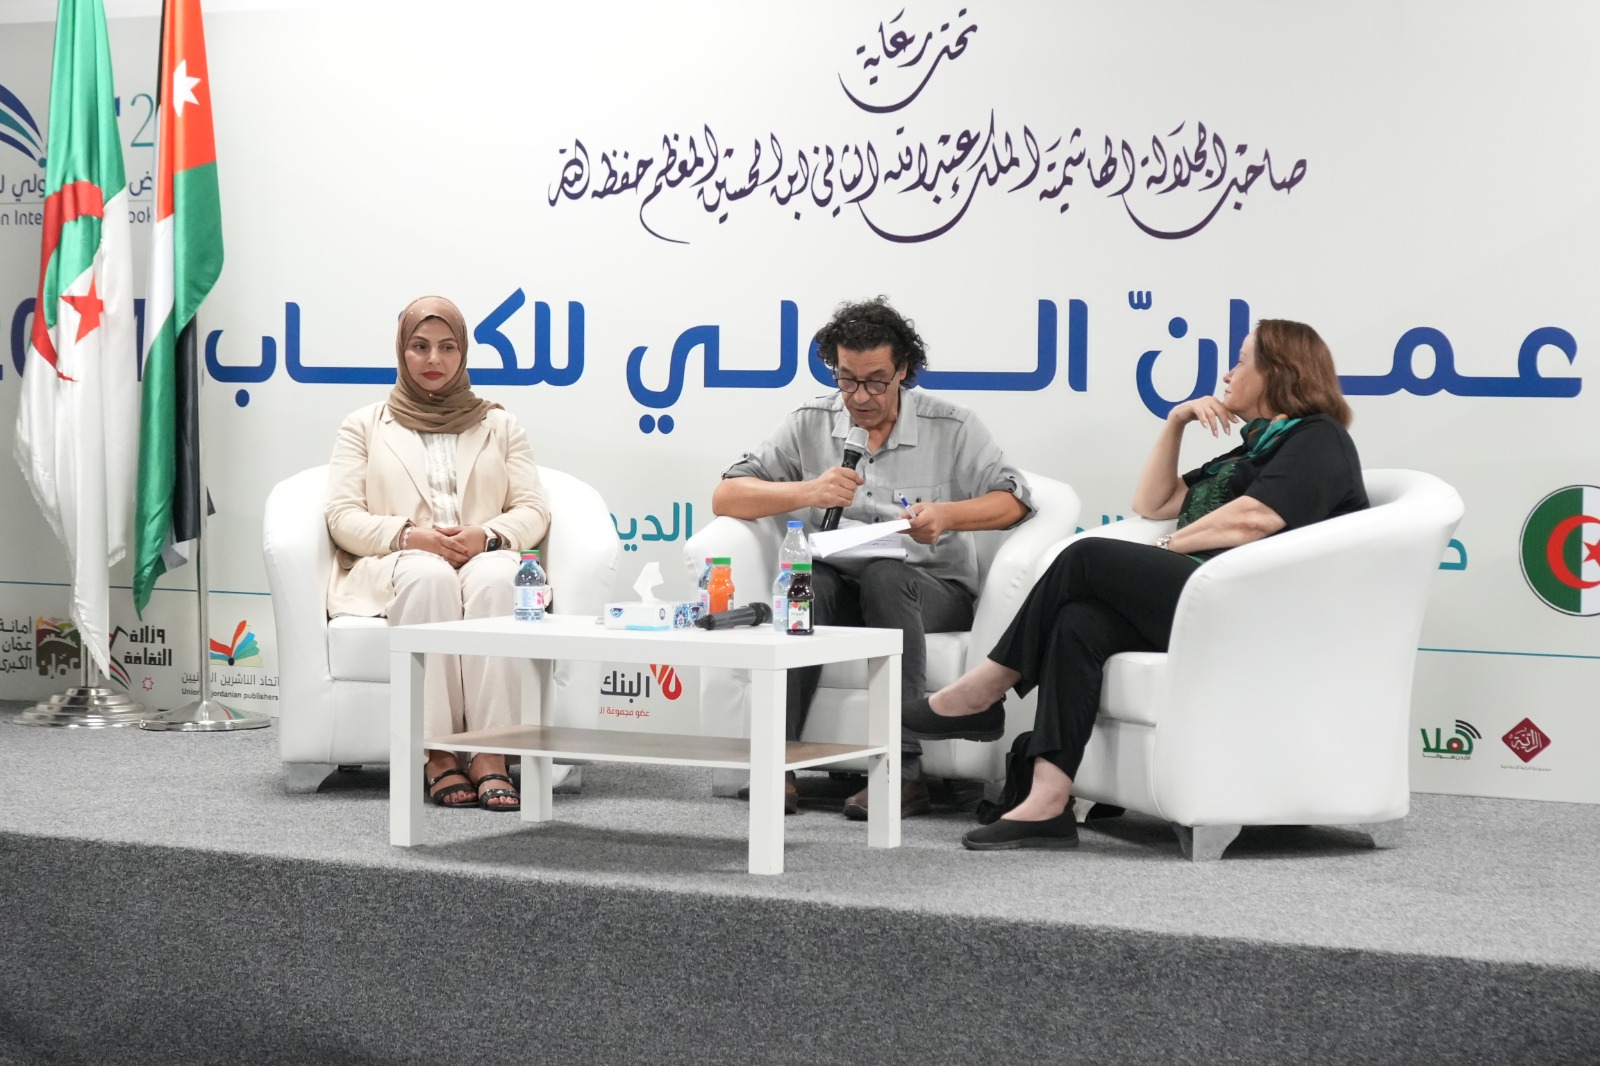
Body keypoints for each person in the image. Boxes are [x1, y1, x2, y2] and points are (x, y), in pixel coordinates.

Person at [904, 318, 1368, 850]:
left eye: (1241, 361)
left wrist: (1167, 547)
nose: (1227, 373)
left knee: (1085, 556)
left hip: (1248, 611)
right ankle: (1047, 802)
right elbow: (1153, 502)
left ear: (1279, 372)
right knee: (1078, 622)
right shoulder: (1252, 449)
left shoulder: (1318, 438)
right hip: (1202, 598)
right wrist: (1175, 423)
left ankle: (984, 689)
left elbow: (1254, 518)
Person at [713, 297, 1033, 818]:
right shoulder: (810, 422)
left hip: (931, 591)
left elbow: (1015, 500)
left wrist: (948, 515)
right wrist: (808, 491)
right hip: (841, 582)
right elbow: (726, 494)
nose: (860, 397)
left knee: (887, 575)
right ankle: (778, 765)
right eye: (847, 379)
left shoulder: (952, 427)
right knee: (807, 584)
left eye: (876, 382)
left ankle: (902, 772)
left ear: (902, 370)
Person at [326, 295, 550, 811]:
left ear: (464, 353)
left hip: (482, 553)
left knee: (498, 580)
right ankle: (438, 753)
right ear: (401, 352)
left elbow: (533, 508)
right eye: (420, 346)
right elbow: (342, 516)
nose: (434, 359)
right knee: (430, 578)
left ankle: (492, 754)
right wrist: (410, 536)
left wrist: (487, 536)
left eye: (448, 347)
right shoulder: (364, 425)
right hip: (401, 559)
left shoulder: (500, 425)